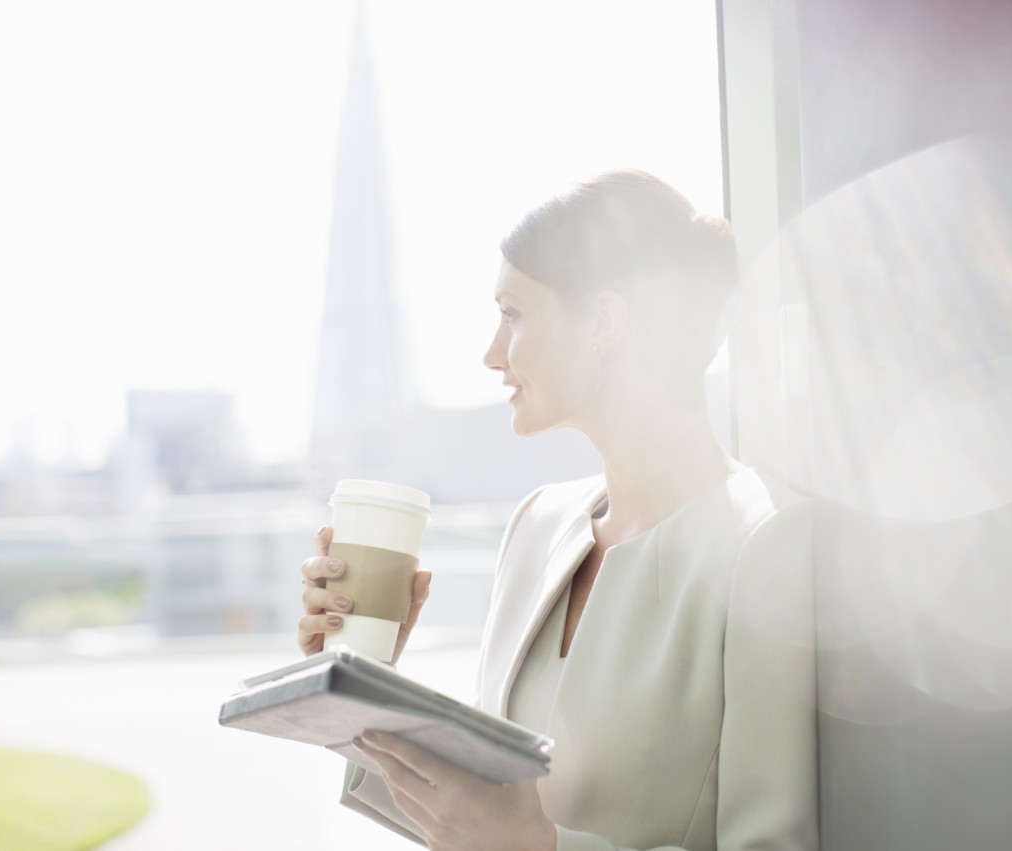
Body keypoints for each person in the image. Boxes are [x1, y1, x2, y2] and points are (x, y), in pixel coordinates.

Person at [298, 169, 818, 851]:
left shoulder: (765, 544)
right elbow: (479, 820)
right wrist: (364, 677)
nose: (491, 353)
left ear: (603, 320)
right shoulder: (539, 524)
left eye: (512, 313)